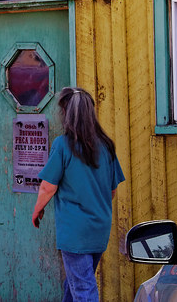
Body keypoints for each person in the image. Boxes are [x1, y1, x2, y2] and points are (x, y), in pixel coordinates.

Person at [31, 86, 125, 302]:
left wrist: (37, 210)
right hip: (99, 229)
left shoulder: (63, 145)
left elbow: (47, 187)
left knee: (83, 289)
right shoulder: (107, 146)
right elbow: (111, 190)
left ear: (66, 113)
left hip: (75, 232)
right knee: (76, 283)